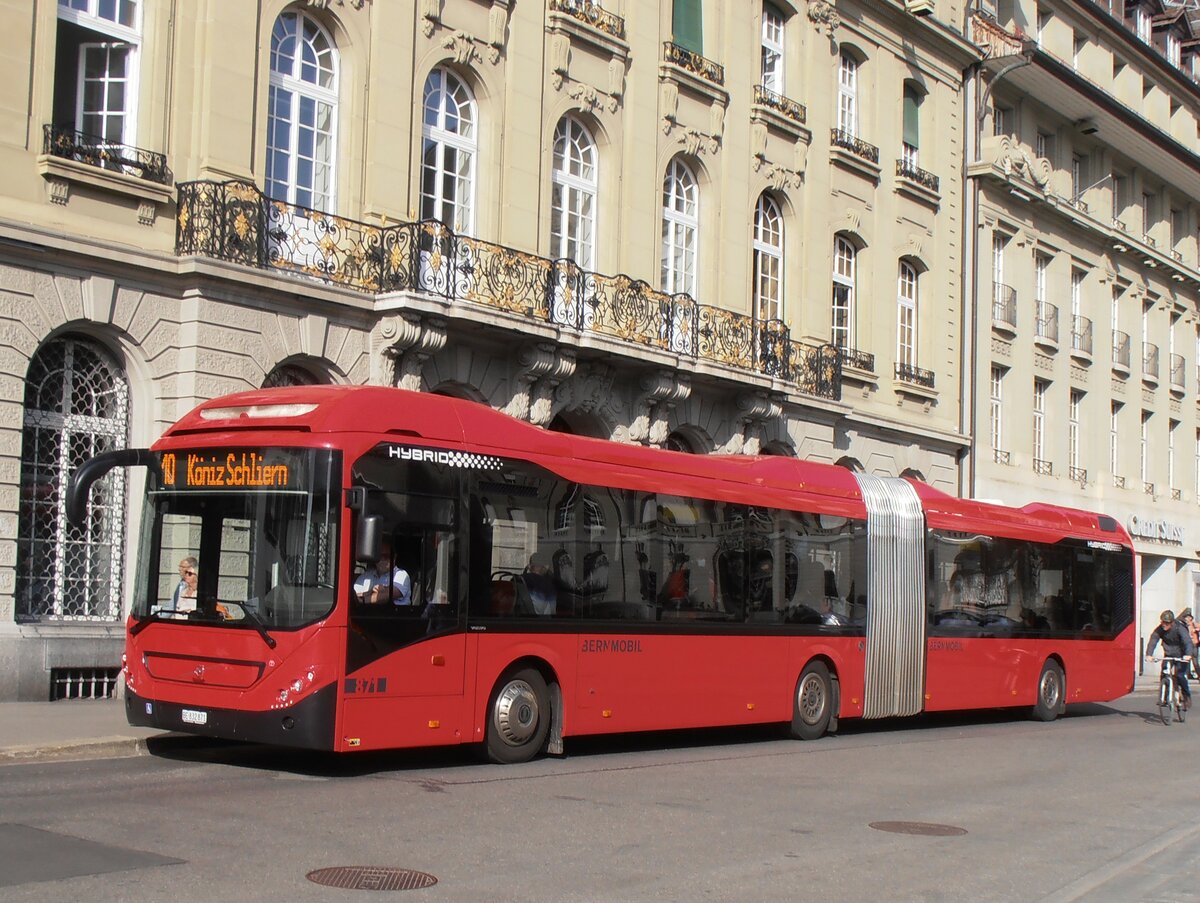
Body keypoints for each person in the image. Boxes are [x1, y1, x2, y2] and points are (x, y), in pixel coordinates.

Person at [1145, 609, 1194, 710]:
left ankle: (1186, 696)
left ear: (1172, 622)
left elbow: (1187, 642)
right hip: (1168, 654)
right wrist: (1149, 654)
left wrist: (1188, 654)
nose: (1164, 625)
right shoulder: (1160, 629)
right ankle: (1164, 696)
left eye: (1167, 623)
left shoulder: (1179, 628)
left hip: (1182, 655)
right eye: (1163, 622)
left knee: (1180, 675)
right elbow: (1153, 640)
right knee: (1164, 673)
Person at [354, 541, 412, 606]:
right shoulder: (366, 576)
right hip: (365, 611)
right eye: (379, 556)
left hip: (393, 612)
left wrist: (363, 600)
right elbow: (354, 595)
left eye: (386, 556)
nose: (383, 559)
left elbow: (388, 595)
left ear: (394, 557)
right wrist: (370, 592)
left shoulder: (401, 575)